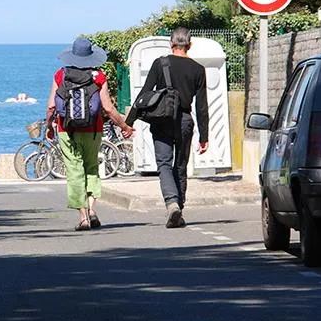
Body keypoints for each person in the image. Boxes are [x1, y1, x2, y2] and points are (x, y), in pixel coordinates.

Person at [46, 37, 134, 231]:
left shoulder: (60, 75)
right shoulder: (99, 76)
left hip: (66, 130)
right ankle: (93, 211)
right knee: (92, 167)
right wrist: (124, 126)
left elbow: (52, 106)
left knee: (74, 171)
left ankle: (83, 217)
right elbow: (108, 108)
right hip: (93, 129)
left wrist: (49, 126)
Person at [126, 27, 209, 228]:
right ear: (189, 45)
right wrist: (204, 136)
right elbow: (202, 106)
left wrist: (129, 122)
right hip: (184, 120)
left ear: (171, 44)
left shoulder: (160, 63)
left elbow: (144, 94)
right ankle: (179, 209)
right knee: (180, 166)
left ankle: (172, 204)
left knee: (164, 164)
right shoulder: (198, 69)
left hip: (162, 119)